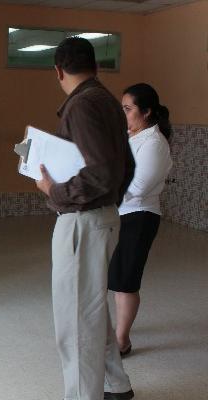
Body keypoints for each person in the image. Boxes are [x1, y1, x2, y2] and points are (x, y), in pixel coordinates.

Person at [35, 38, 136, 400]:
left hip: (83, 222)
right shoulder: (108, 101)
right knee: (91, 311)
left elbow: (101, 172)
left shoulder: (80, 106)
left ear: (59, 70)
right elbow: (126, 167)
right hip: (102, 217)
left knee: (76, 323)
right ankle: (116, 386)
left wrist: (53, 189)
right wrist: (109, 204)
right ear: (95, 65)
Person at [108, 83, 173, 356]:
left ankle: (122, 341)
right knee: (116, 275)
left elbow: (138, 188)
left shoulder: (154, 144)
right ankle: (119, 327)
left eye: (127, 109)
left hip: (139, 217)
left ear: (146, 112)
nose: (123, 114)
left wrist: (104, 192)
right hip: (119, 213)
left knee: (126, 280)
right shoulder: (130, 136)